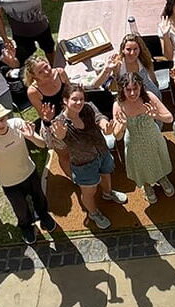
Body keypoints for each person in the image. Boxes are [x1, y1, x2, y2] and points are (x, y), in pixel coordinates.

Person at [41, 87, 127, 230]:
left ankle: (108, 193)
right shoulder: (60, 122)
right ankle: (93, 213)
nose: (79, 102)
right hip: (83, 163)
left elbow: (99, 118)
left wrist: (106, 127)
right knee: (89, 191)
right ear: (65, 101)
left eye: (81, 98)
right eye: (74, 99)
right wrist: (50, 125)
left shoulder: (88, 107)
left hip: (102, 152)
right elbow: (53, 140)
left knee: (106, 175)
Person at [0, 103, 55, 245]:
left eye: (2, 119)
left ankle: (44, 215)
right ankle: (26, 227)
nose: (0, 124)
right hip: (9, 183)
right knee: (21, 210)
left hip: (29, 172)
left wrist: (32, 137)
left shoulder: (18, 124)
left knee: (39, 199)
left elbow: (42, 144)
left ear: (7, 116)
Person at [112, 72, 175, 203]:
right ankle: (146, 185)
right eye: (128, 90)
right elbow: (117, 137)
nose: (133, 93)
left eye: (135, 88)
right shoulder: (118, 105)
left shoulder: (149, 97)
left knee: (157, 159)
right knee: (141, 166)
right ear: (122, 89)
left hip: (153, 137)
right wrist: (122, 126)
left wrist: (156, 115)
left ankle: (162, 178)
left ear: (140, 86)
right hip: (134, 143)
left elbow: (169, 118)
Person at [92, 33, 161, 98]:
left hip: (148, 92)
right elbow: (95, 85)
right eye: (128, 49)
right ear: (123, 50)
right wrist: (107, 69)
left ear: (139, 49)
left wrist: (156, 89)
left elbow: (153, 77)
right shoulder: (117, 63)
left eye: (135, 49)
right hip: (129, 95)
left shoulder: (144, 59)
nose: (132, 53)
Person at [24, 55, 72, 124]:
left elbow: (71, 92)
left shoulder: (60, 73)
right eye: (40, 72)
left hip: (73, 110)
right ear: (34, 75)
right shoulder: (33, 91)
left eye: (46, 67)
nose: (46, 72)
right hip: (57, 121)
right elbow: (43, 116)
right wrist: (48, 117)